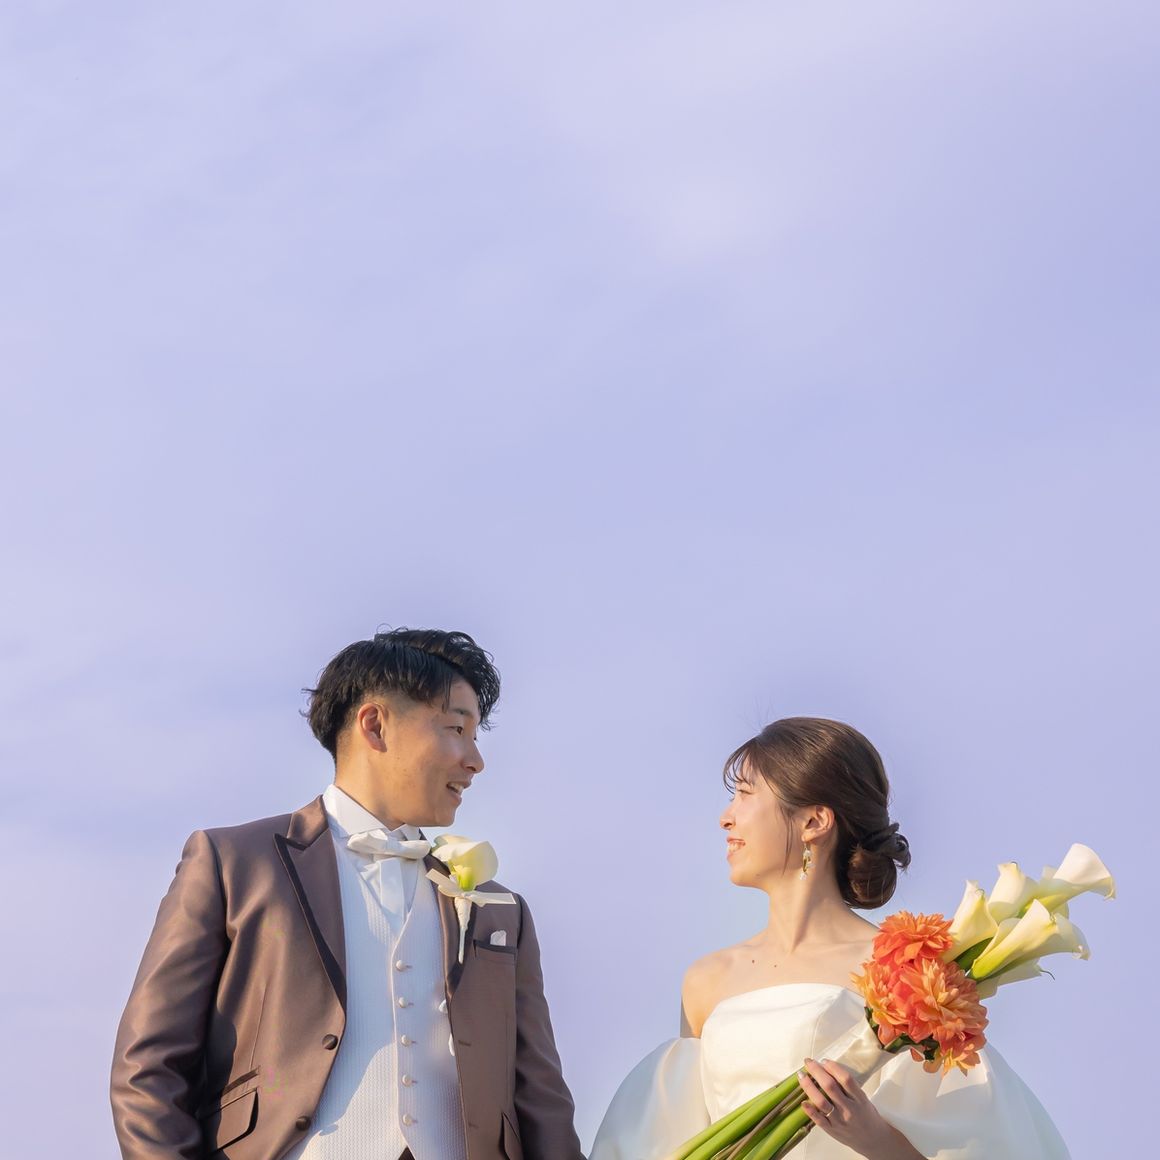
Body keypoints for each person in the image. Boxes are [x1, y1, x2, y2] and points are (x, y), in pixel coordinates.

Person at [111, 627, 583, 1160]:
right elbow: (149, 1068)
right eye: (457, 729)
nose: (475, 760)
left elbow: (540, 1096)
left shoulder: (499, 910)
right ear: (375, 725)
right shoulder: (234, 864)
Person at [591, 717, 1069, 1159]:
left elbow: (982, 1145)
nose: (726, 817)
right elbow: (671, 1135)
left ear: (814, 822)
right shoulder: (706, 980)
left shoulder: (904, 976)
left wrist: (872, 1137)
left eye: (745, 793)